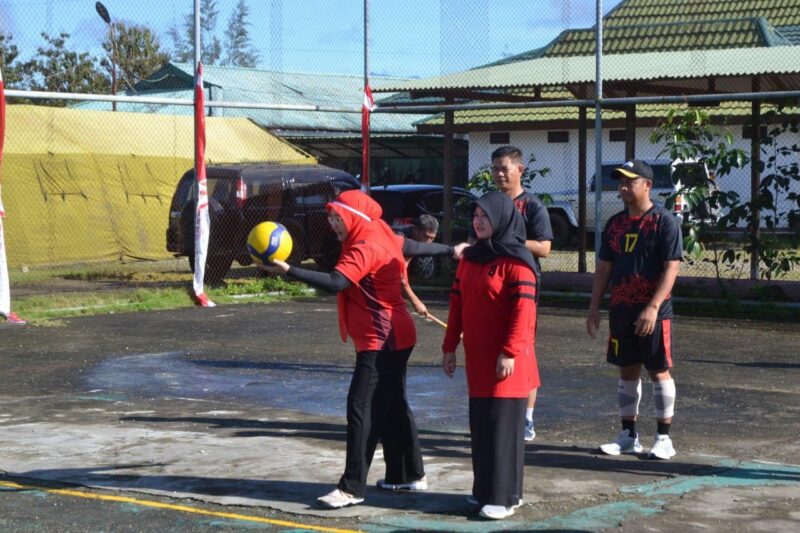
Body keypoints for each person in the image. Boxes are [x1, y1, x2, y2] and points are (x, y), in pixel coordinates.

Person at [260, 189, 461, 509]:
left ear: (354, 218)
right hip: (395, 335)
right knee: (393, 404)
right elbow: (413, 245)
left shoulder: (365, 245)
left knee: (361, 408)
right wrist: (451, 249)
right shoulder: (379, 230)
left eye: (338, 218)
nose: (333, 224)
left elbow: (337, 282)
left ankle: (352, 487)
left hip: (382, 339)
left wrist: (289, 271)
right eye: (330, 217)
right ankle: (408, 474)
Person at [442, 191, 539, 520]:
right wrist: (449, 346)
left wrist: (509, 352)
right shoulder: (470, 258)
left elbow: (523, 314)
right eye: (475, 215)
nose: (478, 221)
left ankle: (505, 497)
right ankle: (485, 490)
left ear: (501, 218)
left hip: (506, 362)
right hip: (477, 362)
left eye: (485, 215)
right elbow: (457, 304)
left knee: (503, 428)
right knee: (482, 426)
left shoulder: (518, 261)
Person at [586, 159, 682, 461]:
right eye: (620, 182)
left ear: (647, 185)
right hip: (621, 311)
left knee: (658, 370)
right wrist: (593, 308)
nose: (623, 187)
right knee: (627, 370)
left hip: (654, 312)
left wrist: (653, 307)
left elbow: (671, 269)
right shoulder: (615, 224)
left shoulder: (664, 221)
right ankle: (628, 435)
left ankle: (664, 438)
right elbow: (603, 269)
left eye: (630, 181)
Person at [489, 145, 552, 442]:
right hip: (491, 287)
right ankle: (499, 411)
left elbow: (545, 248)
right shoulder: (488, 203)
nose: (499, 174)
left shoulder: (532, 206)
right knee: (494, 348)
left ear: (520, 170)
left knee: (522, 349)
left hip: (522, 288)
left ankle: (526, 417)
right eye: (495, 169)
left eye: (505, 168)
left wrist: (511, 240)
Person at [401, 214, 440, 317]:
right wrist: (415, 301)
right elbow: (400, 277)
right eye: (426, 237)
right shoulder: (403, 241)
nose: (428, 243)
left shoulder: (414, 241)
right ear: (415, 229)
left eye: (432, 238)